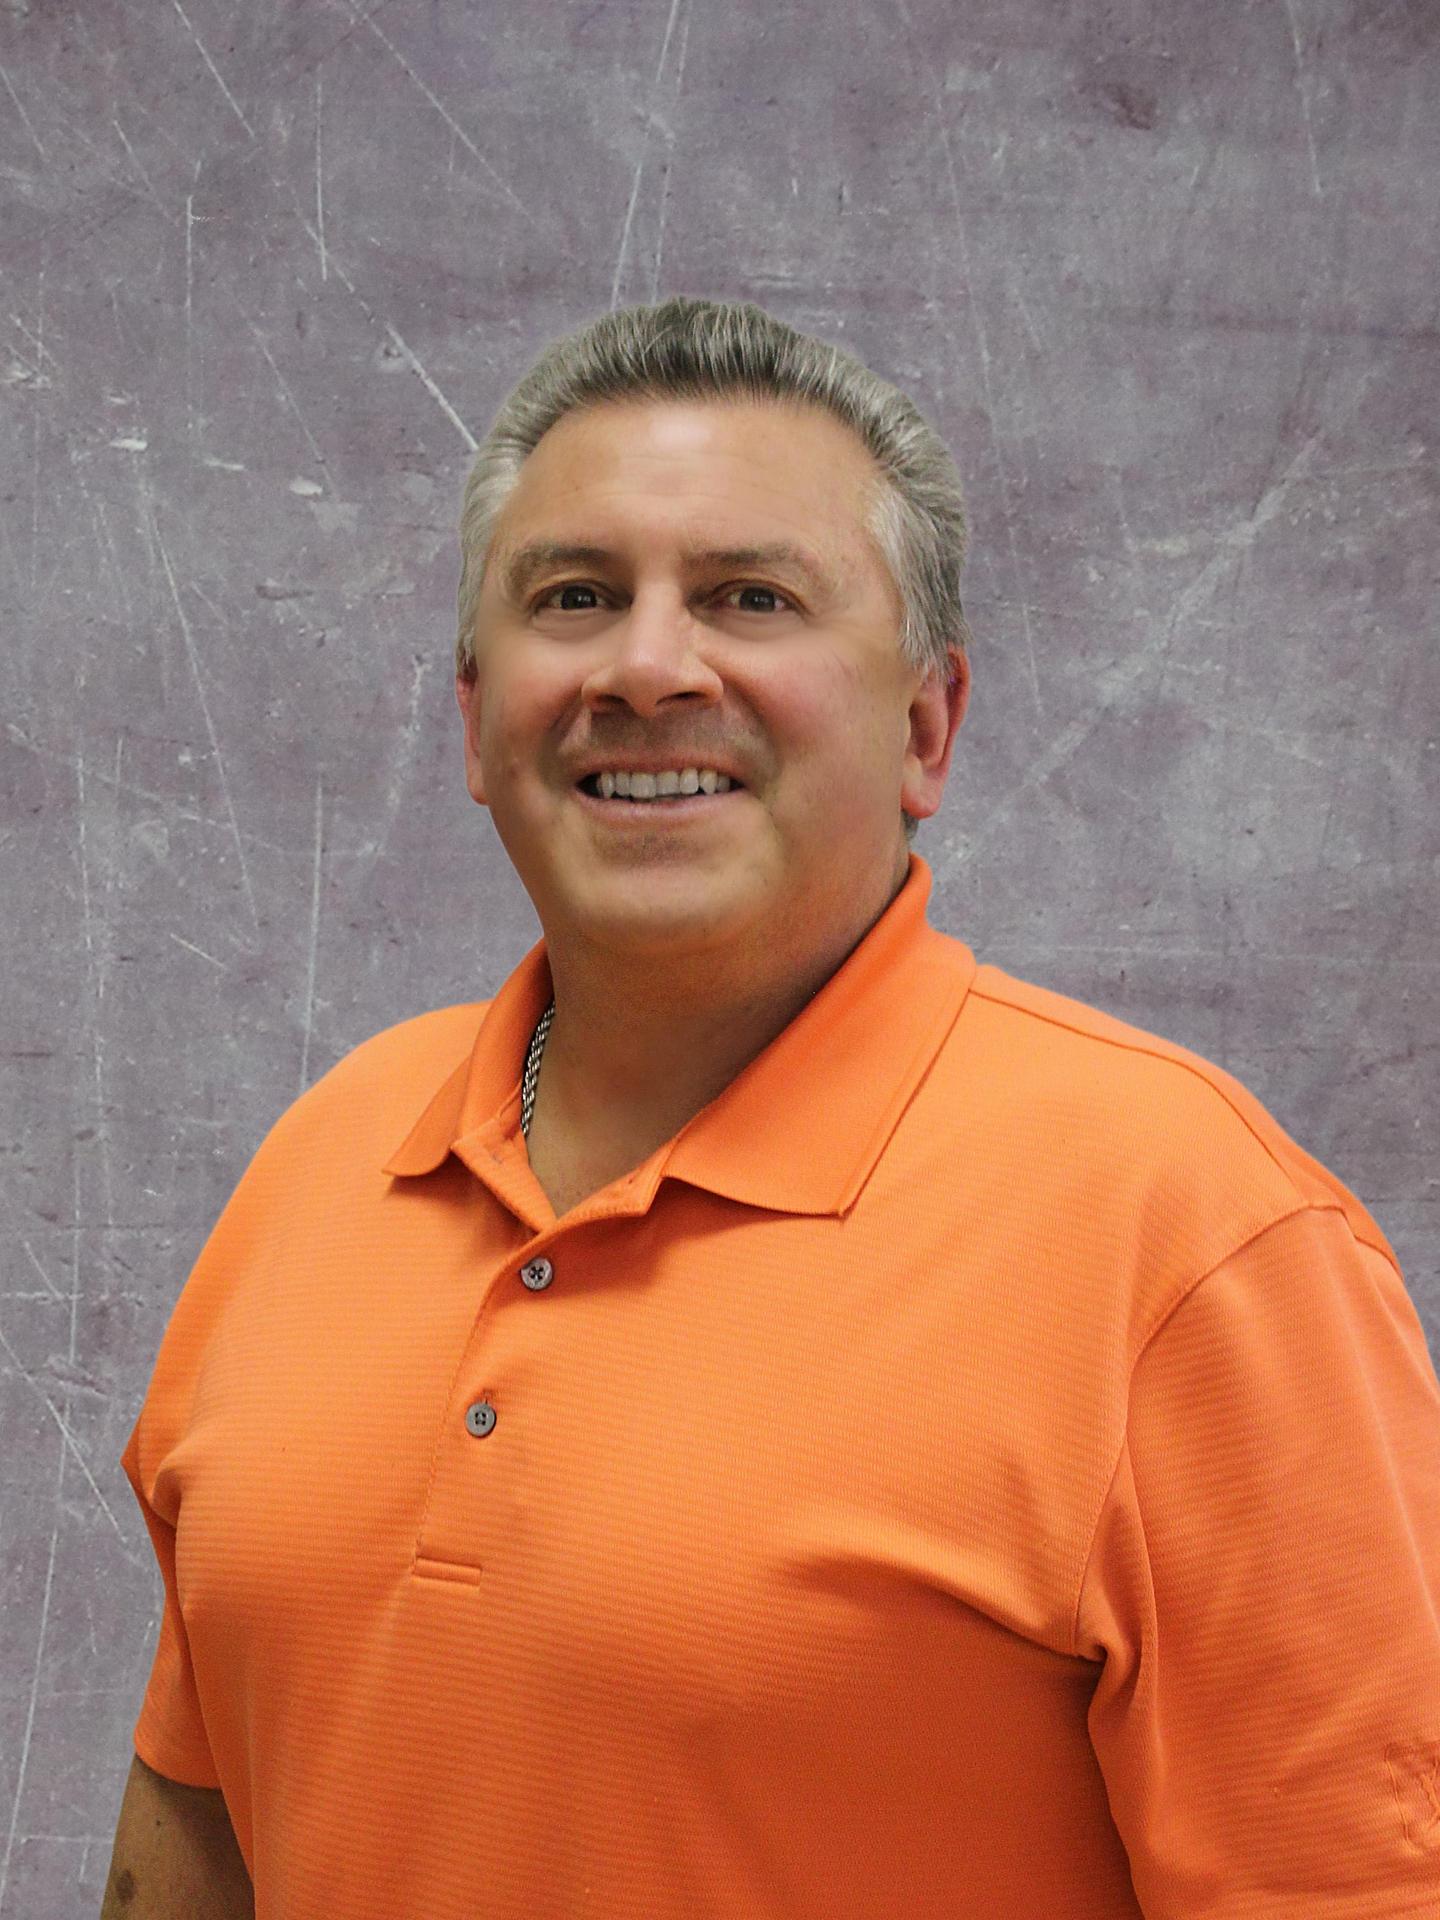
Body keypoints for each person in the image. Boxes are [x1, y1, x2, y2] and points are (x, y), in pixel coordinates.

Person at [102, 297, 1440, 1918]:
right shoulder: (324, 1158)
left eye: (752, 596)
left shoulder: (1195, 1238)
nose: (649, 667)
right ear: (472, 720)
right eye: (576, 597)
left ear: (925, 725)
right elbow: (196, 1836)